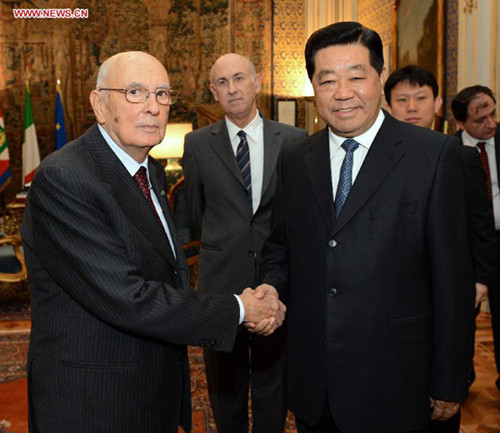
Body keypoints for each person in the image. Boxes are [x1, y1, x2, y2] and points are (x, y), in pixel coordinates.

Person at [20, 51, 286, 433]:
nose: (153, 107)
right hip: (93, 402)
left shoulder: (151, 171)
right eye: (135, 92)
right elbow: (126, 296)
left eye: (162, 94)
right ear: (99, 103)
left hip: (149, 390)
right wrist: (240, 310)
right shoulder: (65, 178)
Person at [258, 22, 475, 433]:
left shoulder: (433, 156)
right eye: (328, 80)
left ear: (379, 77)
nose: (343, 93)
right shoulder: (294, 159)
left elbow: (453, 279)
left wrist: (450, 378)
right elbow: (280, 248)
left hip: (401, 385)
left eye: (356, 76)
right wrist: (272, 286)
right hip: (316, 386)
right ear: (314, 87)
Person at [183, 53, 306, 433]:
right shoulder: (197, 144)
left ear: (257, 81)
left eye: (239, 78)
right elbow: (194, 214)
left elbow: (298, 218)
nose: (232, 88)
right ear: (213, 92)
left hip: (278, 284)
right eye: (222, 82)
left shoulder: (295, 141)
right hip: (221, 286)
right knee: (225, 385)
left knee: (274, 382)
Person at [385, 66, 497, 433]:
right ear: (388, 105)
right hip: (395, 291)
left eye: (420, 99)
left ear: (436, 103)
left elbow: (479, 223)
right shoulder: (379, 158)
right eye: (402, 100)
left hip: (451, 286)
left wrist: (481, 278)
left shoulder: (459, 156)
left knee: (449, 371)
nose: (412, 108)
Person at [452, 85, 500, 391]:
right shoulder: (449, 151)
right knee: (463, 317)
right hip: (469, 247)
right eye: (481, 118)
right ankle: (460, 376)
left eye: (494, 113)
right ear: (461, 123)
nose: (491, 123)